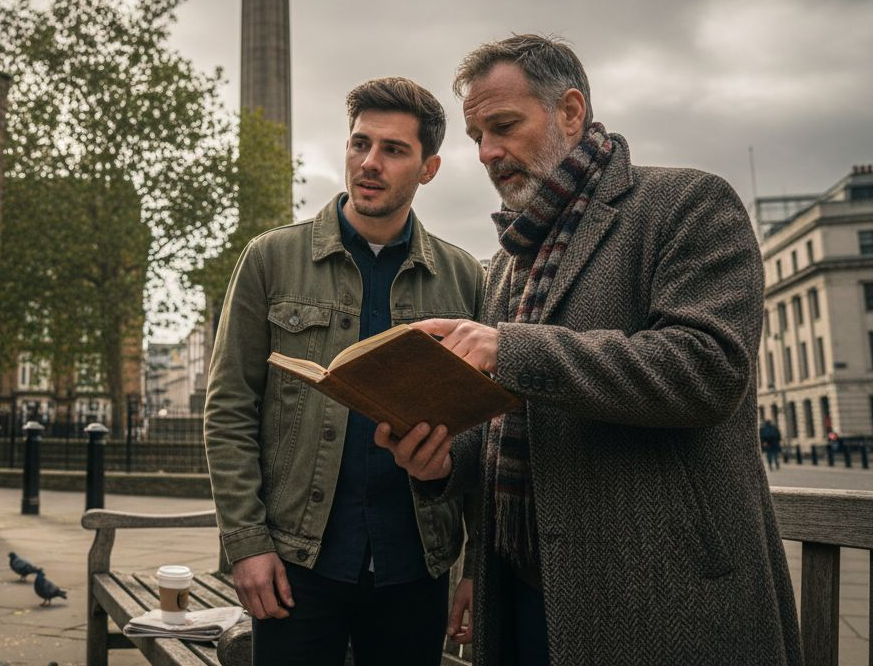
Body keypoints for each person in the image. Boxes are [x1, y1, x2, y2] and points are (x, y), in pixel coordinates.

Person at [375, 35, 801, 664]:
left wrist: (513, 349)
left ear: (570, 111)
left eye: (504, 126)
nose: (488, 152)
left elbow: (708, 369)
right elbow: (502, 427)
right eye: (476, 138)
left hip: (660, 603)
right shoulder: (505, 265)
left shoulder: (687, 204)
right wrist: (439, 463)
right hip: (519, 597)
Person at [204, 77, 483, 665]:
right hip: (296, 563)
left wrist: (476, 570)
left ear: (429, 168)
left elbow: (491, 436)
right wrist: (246, 545)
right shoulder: (270, 259)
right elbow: (229, 409)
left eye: (394, 149)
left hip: (417, 563)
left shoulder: (465, 279)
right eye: (360, 144)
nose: (370, 163)